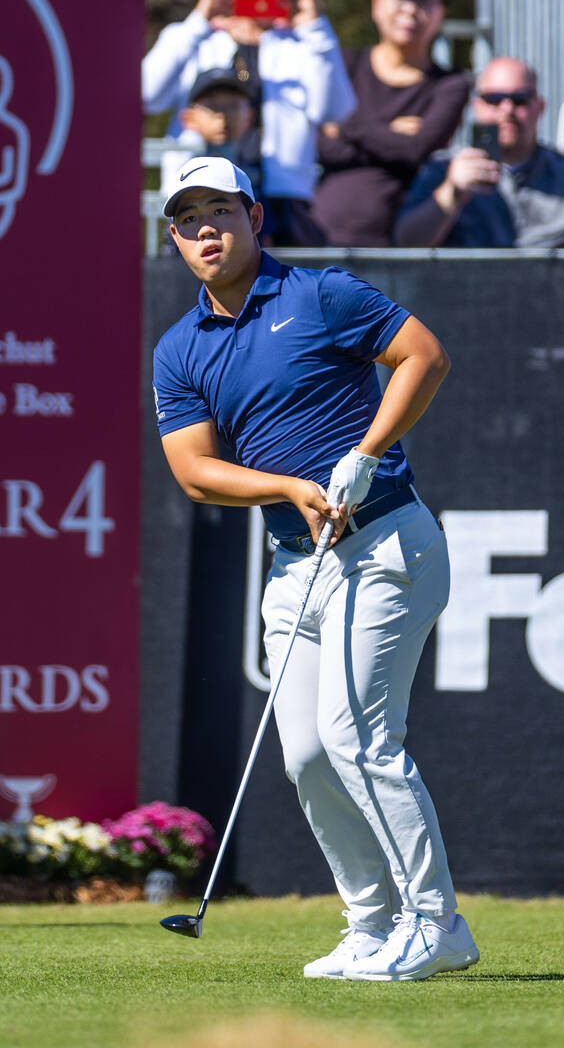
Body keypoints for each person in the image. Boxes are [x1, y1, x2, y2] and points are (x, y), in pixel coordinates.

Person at [152, 155, 480, 982]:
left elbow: (424, 357)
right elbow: (194, 471)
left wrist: (366, 455)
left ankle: (437, 923)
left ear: (255, 217)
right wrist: (287, 486)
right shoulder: (180, 348)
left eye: (219, 211)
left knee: (360, 738)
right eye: (188, 218)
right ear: (173, 237)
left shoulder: (321, 294)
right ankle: (371, 924)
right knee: (305, 754)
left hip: (386, 543)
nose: (205, 230)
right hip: (297, 564)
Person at [142, 0, 356, 247]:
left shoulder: (305, 47)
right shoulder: (198, 39)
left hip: (283, 206)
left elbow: (333, 110)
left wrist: (314, 29)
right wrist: (199, 20)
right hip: (199, 196)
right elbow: (146, 93)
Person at [311, 0, 469, 247]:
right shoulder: (343, 65)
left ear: (442, 12)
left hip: (394, 256)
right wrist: (389, 133)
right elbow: (319, 146)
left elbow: (417, 149)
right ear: (376, 2)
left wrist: (343, 126)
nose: (410, 8)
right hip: (315, 242)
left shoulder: (450, 85)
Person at [394, 57, 564, 248]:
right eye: (494, 99)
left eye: (520, 99)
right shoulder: (442, 170)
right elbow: (406, 244)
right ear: (475, 105)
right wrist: (452, 193)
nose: (507, 110)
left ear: (540, 107)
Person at [159, 68, 261, 207]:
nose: (223, 116)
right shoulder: (181, 159)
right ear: (189, 118)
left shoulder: (267, 163)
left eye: (233, 106)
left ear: (250, 116)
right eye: (212, 107)